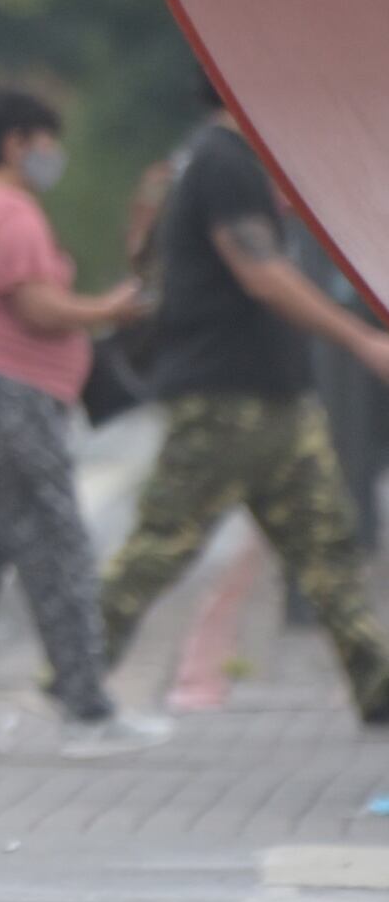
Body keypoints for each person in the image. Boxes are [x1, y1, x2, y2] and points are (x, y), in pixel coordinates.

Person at [93, 71, 389, 723]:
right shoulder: (223, 161)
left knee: (328, 550)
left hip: (275, 396)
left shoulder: (230, 159)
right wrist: (361, 341)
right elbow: (261, 274)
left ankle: (378, 688)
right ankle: (73, 675)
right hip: (225, 397)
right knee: (162, 544)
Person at [0, 85, 158, 762]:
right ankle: (87, 712)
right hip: (3, 390)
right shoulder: (9, 212)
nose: (53, 155)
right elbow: (37, 309)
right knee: (56, 547)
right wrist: (108, 309)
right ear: (17, 142)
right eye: (46, 141)